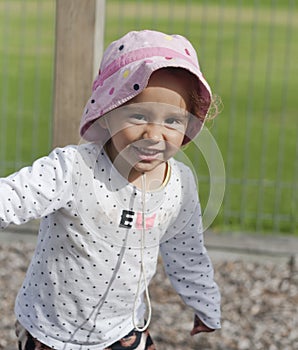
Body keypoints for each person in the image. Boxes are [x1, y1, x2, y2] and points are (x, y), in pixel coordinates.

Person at [0, 30, 221, 350]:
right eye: (139, 115)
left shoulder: (180, 184)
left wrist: (204, 301)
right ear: (107, 113)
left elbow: (186, 250)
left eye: (172, 121)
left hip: (124, 329)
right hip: (53, 331)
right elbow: (15, 196)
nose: (154, 134)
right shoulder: (75, 168)